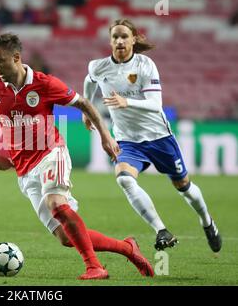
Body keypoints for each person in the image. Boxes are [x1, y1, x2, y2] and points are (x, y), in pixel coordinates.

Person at [0, 33, 154, 280]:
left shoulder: (44, 83)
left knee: (56, 203)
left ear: (16, 58)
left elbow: (84, 104)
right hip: (24, 170)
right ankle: (127, 248)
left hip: (51, 152)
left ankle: (95, 267)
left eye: (0, 61)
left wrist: (105, 135)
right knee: (65, 238)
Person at [83, 18, 222, 252]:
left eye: (124, 36)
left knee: (184, 186)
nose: (119, 41)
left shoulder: (145, 65)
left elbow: (156, 104)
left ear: (133, 39)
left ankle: (207, 221)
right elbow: (90, 81)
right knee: (125, 179)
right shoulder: (98, 66)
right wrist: (87, 110)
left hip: (158, 137)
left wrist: (126, 101)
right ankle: (161, 230)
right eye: (115, 36)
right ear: (110, 41)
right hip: (127, 140)